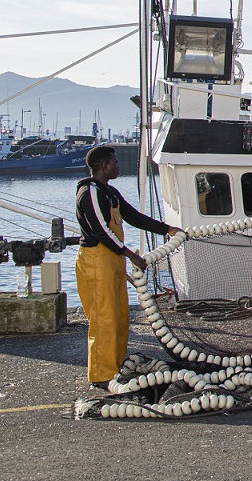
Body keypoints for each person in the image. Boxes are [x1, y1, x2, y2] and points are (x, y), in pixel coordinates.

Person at [75, 145, 179, 388]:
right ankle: (101, 375)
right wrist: (130, 255)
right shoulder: (89, 192)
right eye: (115, 163)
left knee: (119, 317)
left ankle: (116, 366)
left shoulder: (109, 192)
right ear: (104, 166)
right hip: (96, 261)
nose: (118, 166)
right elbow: (101, 231)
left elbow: (132, 216)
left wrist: (166, 229)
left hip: (112, 260)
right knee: (103, 319)